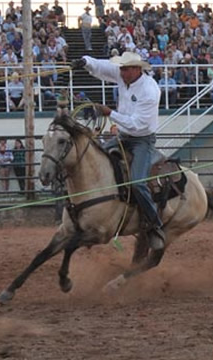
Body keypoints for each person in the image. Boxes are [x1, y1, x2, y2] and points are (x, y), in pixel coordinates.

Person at [73, 51, 167, 251]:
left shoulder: (150, 91)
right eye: (121, 68)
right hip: (123, 137)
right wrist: (85, 61)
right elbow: (102, 66)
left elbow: (138, 125)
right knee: (95, 159)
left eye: (124, 69)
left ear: (136, 69)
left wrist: (110, 113)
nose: (121, 71)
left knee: (137, 181)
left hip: (142, 140)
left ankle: (155, 225)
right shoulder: (124, 76)